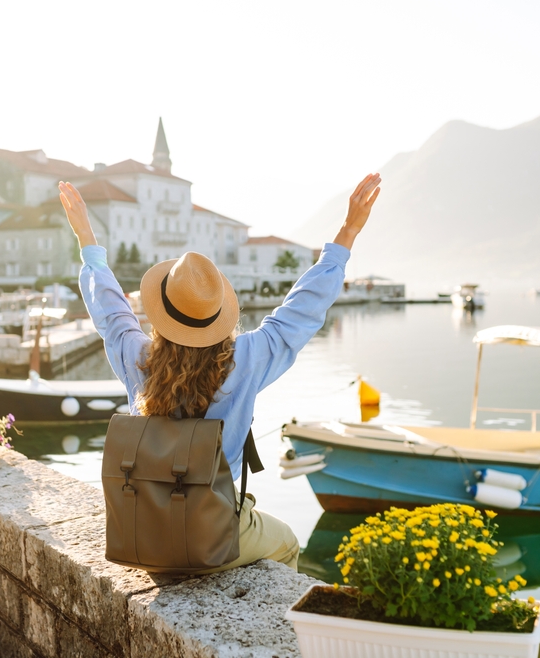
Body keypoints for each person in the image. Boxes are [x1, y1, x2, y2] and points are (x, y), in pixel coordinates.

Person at [60, 173, 381, 573]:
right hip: (210, 540)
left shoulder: (136, 356)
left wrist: (87, 241)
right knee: (287, 544)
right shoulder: (245, 359)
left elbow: (111, 311)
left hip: (145, 537)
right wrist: (346, 233)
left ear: (162, 312)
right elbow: (300, 313)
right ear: (217, 314)